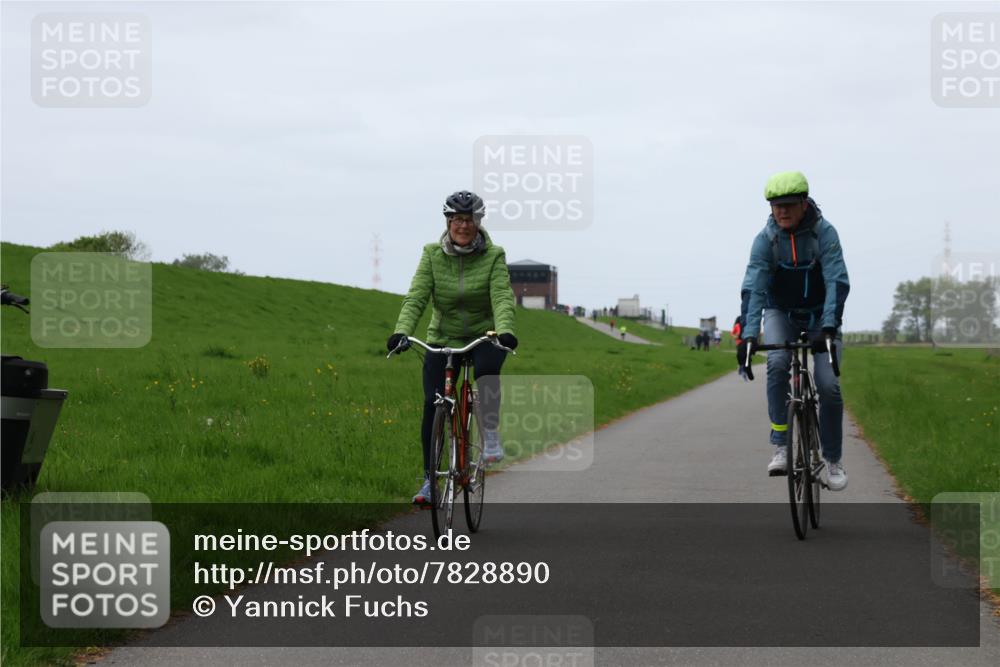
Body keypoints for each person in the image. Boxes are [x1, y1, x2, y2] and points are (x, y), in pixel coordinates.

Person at [387, 191, 517, 505]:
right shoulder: (432, 254)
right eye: (457, 219)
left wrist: (505, 331)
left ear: (478, 222)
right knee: (433, 405)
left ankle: (489, 433)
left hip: (484, 334)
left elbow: (501, 296)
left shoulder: (494, 255)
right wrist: (402, 331)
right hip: (442, 336)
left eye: (470, 219)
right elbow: (417, 296)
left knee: (486, 372)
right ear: (448, 222)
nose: (463, 225)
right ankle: (430, 482)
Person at [736, 171, 850, 490]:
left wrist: (829, 327)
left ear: (803, 204)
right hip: (780, 312)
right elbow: (753, 288)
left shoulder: (824, 235)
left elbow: (836, 282)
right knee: (776, 363)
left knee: (828, 385)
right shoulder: (765, 240)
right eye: (775, 205)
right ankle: (780, 444)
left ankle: (833, 458)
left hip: (820, 316)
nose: (781, 211)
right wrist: (747, 336)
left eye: (788, 204)